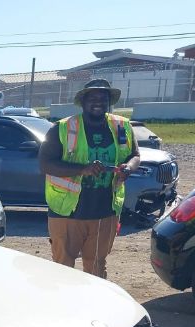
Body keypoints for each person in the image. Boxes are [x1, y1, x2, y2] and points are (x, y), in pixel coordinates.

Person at [39, 78, 140, 278]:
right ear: (83, 101)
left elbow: (135, 155)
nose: (98, 102)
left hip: (105, 211)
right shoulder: (62, 128)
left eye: (103, 98)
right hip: (67, 212)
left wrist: (128, 168)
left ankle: (93, 307)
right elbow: (45, 164)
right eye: (92, 98)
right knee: (62, 267)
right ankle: (63, 307)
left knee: (96, 268)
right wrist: (82, 169)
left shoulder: (122, 126)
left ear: (109, 101)